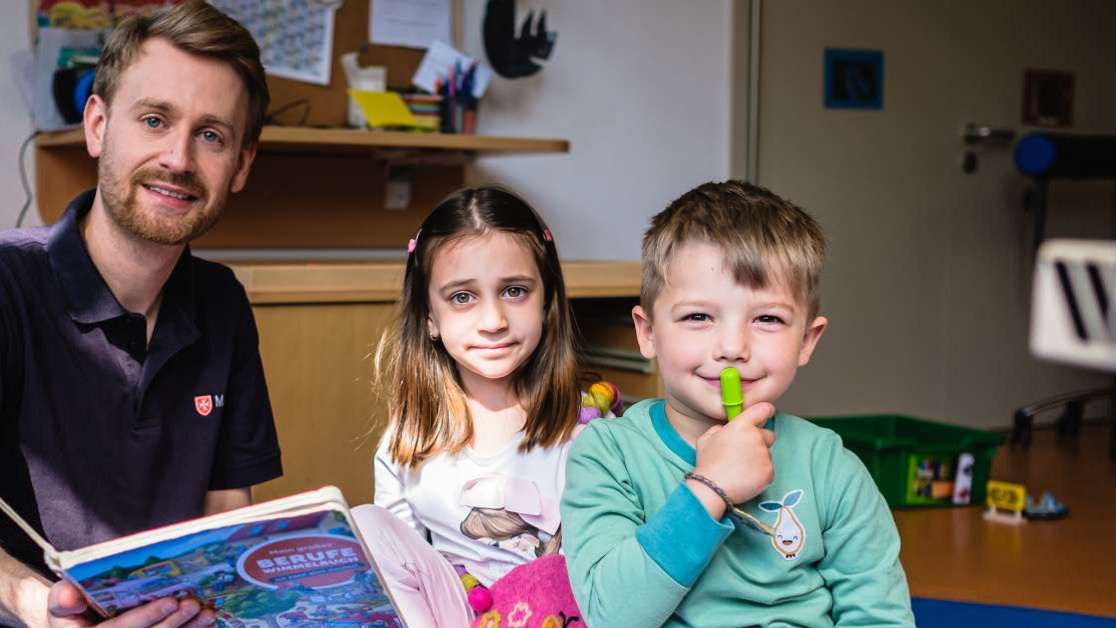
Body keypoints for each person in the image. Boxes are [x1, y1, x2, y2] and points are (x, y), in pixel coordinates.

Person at [0, 3, 281, 626]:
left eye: (211, 134)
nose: (179, 159)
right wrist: (44, 607)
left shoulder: (221, 304)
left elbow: (225, 517)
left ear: (241, 164)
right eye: (155, 119)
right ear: (99, 126)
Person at [561, 181, 914, 626]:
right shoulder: (607, 455)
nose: (732, 347)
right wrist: (710, 487)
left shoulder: (831, 467)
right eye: (698, 317)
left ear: (807, 341)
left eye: (767, 319)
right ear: (647, 332)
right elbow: (613, 616)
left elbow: (880, 616)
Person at [351, 187, 585, 627]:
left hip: (559, 614)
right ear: (429, 317)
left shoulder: (588, 436)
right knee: (366, 524)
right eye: (463, 297)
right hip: (455, 614)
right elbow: (396, 570)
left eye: (515, 291)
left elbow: (599, 573)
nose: (493, 320)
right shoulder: (407, 443)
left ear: (547, 301)